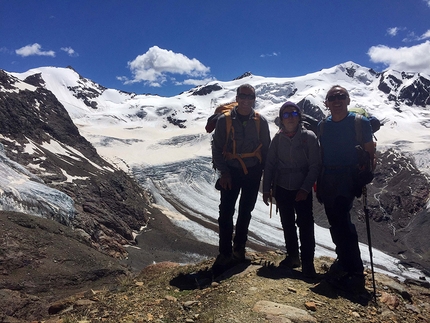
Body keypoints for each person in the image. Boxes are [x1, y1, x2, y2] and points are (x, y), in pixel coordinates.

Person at [317, 85, 376, 291]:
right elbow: (322, 152)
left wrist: (365, 175)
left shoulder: (360, 122)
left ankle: (356, 271)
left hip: (347, 178)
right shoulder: (323, 125)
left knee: (342, 221)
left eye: (341, 96)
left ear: (348, 100)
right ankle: (344, 261)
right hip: (328, 178)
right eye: (332, 97)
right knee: (335, 222)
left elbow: (370, 151)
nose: (337, 100)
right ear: (327, 103)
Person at [211, 84, 271, 272]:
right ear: (237, 97)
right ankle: (225, 252)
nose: (246, 100)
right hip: (231, 171)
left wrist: (266, 177)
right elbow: (217, 148)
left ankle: (239, 250)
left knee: (246, 211)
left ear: (254, 99)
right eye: (242, 96)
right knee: (226, 212)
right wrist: (224, 173)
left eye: (250, 96)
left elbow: (267, 149)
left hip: (253, 172)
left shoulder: (261, 122)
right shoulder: (224, 121)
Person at [262, 102, 321, 277]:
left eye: (293, 114)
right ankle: (293, 257)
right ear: (281, 119)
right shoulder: (278, 139)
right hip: (282, 188)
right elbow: (270, 165)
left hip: (301, 188)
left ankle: (308, 263)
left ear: (299, 116)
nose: (290, 118)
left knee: (305, 225)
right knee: (287, 224)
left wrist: (305, 188)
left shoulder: (309, 137)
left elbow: (315, 166)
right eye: (286, 115)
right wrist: (267, 189)